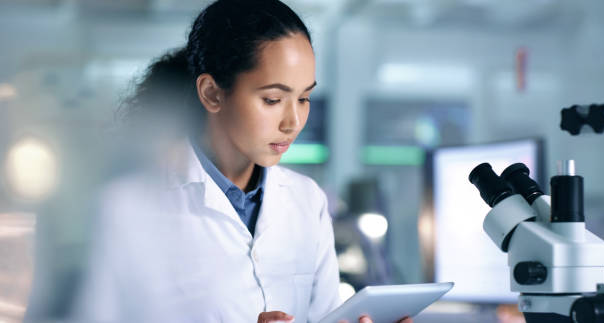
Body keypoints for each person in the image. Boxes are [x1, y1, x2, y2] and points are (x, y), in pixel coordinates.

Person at [26, 1, 413, 322]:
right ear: (212, 93)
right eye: (273, 100)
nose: (293, 121)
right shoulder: (127, 209)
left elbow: (329, 314)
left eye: (304, 98)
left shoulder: (307, 200)